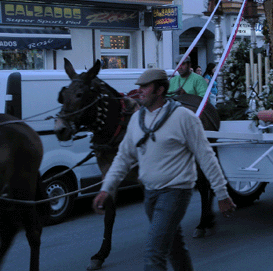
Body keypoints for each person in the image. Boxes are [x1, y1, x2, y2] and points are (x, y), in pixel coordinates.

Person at [92, 68, 236, 271]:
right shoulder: (136, 120)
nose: (139, 91)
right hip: (151, 193)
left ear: (159, 90)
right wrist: (106, 189)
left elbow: (206, 156)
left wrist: (222, 193)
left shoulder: (184, 118)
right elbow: (123, 157)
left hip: (176, 192)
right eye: (139, 86)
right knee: (174, 249)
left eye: (145, 86)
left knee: (154, 253)